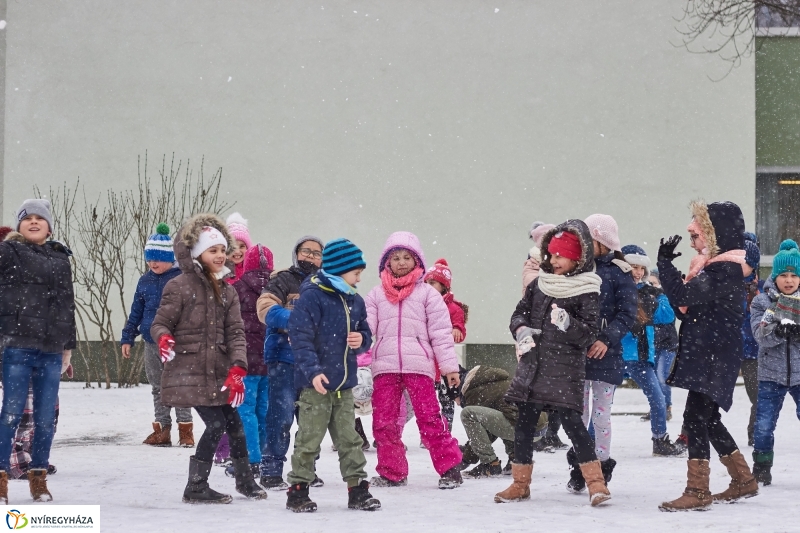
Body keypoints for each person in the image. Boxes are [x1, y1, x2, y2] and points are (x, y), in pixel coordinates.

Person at [150, 214, 266, 504]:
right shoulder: (179, 286)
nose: (221, 255)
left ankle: (244, 481)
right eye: (213, 250)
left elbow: (236, 333)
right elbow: (160, 323)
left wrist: (238, 366)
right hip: (190, 371)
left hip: (218, 372)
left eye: (223, 250)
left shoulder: (228, 291)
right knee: (216, 425)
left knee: (235, 424)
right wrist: (163, 338)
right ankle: (196, 486)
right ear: (196, 253)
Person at [496, 220, 610, 506]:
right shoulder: (539, 285)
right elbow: (518, 314)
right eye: (552, 254)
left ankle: (597, 484)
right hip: (533, 369)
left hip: (564, 372)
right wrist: (521, 330)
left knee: (575, 428)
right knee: (524, 427)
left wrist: (568, 323)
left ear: (578, 258)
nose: (554, 260)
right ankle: (520, 484)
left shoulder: (586, 290)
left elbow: (588, 334)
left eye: (561, 255)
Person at [657, 200, 758, 512]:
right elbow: (685, 308)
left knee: (695, 419)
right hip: (711, 353)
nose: (691, 234)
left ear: (716, 233)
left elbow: (684, 296)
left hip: (714, 354)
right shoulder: (717, 268)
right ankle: (742, 479)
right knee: (708, 418)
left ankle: (698, 489)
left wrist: (664, 266)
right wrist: (672, 274)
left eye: (697, 230)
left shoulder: (725, 269)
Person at [285, 238, 380, 512]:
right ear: (339, 269)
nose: (359, 278)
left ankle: (358, 489)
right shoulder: (312, 297)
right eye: (356, 273)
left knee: (350, 440)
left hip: (344, 385)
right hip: (317, 386)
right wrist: (313, 372)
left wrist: (360, 339)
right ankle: (298, 490)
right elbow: (300, 338)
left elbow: (366, 334)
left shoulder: (355, 300)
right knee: (308, 440)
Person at [365, 231, 463, 489]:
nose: (400, 262)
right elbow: (365, 330)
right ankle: (391, 471)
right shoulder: (376, 295)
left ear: (417, 260)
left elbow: (441, 335)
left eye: (406, 257)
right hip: (384, 367)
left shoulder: (427, 295)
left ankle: (450, 468)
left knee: (429, 419)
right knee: (384, 422)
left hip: (419, 367)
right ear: (386, 263)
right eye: (395, 258)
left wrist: (450, 368)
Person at [0, 200, 75, 503]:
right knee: (11, 414)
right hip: (16, 346)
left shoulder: (60, 258)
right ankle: (1, 478)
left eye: (39, 219)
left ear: (49, 226)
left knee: (45, 419)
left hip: (51, 349)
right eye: (27, 218)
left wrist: (68, 347)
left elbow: (67, 304)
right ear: (18, 225)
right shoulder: (8, 252)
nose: (33, 222)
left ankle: (38, 478)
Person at [566, 214, 637, 493]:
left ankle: (602, 466)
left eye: (589, 239)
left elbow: (627, 313)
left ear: (601, 241)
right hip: (578, 353)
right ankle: (579, 466)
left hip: (607, 355)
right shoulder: (576, 270)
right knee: (577, 415)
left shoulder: (620, 272)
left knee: (601, 415)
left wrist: (607, 339)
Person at [256, 235, 325, 490]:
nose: (311, 256)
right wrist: (295, 320)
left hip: (314, 365)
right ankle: (271, 470)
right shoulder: (282, 279)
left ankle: (305, 469)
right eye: (306, 251)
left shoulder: (326, 286)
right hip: (283, 359)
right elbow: (264, 307)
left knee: (311, 420)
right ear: (297, 253)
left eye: (317, 253)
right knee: (280, 416)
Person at [120, 223, 191, 447]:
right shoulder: (145, 281)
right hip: (151, 342)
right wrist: (128, 337)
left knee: (180, 384)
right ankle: (162, 429)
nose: (153, 263)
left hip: (177, 342)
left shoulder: (182, 279)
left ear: (171, 258)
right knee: (157, 386)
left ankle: (185, 429)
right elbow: (136, 312)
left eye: (158, 258)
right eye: (150, 258)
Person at [619, 245, 684, 456]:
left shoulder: (650, 292)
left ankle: (660, 440)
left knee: (658, 399)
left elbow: (666, 316)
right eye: (633, 267)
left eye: (641, 268)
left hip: (641, 356)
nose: (637, 272)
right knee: (601, 404)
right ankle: (589, 442)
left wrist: (657, 295)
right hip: (615, 356)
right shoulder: (615, 289)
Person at [749, 239, 800, 486]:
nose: (788, 280)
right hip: (771, 374)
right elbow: (759, 334)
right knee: (764, 424)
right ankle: (761, 466)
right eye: (783, 274)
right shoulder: (763, 302)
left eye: (794, 275)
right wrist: (778, 332)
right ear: (775, 276)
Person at [229, 243, 273, 479]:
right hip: (269, 361)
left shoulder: (236, 289)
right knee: (264, 411)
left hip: (245, 360)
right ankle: (266, 457)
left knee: (245, 411)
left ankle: (250, 458)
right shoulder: (277, 288)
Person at [423, 258, 468, 434]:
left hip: (443, 365)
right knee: (426, 402)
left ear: (443, 285)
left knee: (446, 401)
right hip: (426, 361)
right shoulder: (422, 303)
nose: (427, 285)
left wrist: (457, 330)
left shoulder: (454, 309)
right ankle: (428, 431)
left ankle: (444, 431)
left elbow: (460, 329)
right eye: (426, 282)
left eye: (432, 282)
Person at [459, 365, 520, 478]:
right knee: (505, 415)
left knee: (468, 414)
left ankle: (491, 465)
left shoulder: (476, 392)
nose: (457, 403)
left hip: (525, 429)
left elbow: (487, 432)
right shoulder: (495, 382)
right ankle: (515, 459)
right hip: (538, 426)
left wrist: (465, 460)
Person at [647, 270, 679, 426]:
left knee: (662, 376)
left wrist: (658, 296)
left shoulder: (666, 297)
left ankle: (666, 407)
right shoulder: (646, 298)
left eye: (653, 283)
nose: (650, 286)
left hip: (667, 344)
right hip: (652, 344)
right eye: (649, 283)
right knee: (653, 378)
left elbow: (666, 317)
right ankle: (656, 407)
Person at [741, 239, 762, 447]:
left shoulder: (762, 289)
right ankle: (690, 433)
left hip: (752, 352)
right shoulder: (726, 284)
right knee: (707, 396)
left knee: (757, 396)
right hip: (729, 348)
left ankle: (755, 433)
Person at [225, 212, 252, 284]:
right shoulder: (219, 269)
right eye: (233, 246)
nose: (237, 251)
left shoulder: (253, 269)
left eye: (242, 246)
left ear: (248, 249)